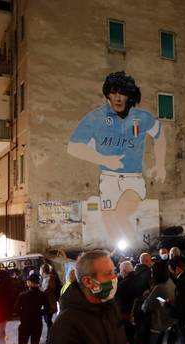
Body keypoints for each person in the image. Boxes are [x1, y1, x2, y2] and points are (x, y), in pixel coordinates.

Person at [67, 71, 166, 245]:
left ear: (129, 96)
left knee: (121, 216)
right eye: (114, 92)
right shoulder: (95, 118)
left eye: (123, 93)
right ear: (108, 95)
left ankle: (137, 251)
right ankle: (122, 258)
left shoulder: (141, 117)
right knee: (109, 222)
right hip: (108, 178)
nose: (118, 97)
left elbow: (160, 135)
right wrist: (104, 160)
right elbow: (74, 147)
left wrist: (160, 165)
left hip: (133, 179)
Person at [49, 250, 151, 344]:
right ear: (88, 282)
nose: (115, 278)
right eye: (108, 274)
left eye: (114, 272)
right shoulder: (65, 325)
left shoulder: (110, 308)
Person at [141, 261, 176, 344]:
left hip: (157, 324)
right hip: (169, 324)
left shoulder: (159, 288)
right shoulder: (171, 284)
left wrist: (146, 299)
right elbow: (164, 300)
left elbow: (146, 307)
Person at [11, 273, 47, 344]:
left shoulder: (23, 295)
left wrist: (23, 313)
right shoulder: (42, 295)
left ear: (29, 283)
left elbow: (15, 310)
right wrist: (39, 312)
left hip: (25, 323)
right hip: (37, 323)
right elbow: (48, 309)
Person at [41, 263, 62, 344]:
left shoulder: (50, 278)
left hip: (49, 303)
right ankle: (52, 339)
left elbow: (48, 289)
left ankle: (50, 341)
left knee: (48, 322)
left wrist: (40, 293)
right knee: (48, 321)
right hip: (46, 303)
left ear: (42, 270)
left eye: (40, 270)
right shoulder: (45, 278)